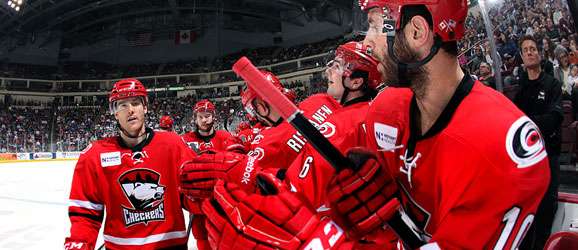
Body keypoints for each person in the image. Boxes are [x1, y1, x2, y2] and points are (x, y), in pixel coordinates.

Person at [357, 1, 549, 249]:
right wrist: (371, 222)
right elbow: (389, 228)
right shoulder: (385, 111)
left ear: (417, 32)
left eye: (375, 26)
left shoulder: (499, 140)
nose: (366, 43)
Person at [64, 79, 196, 250]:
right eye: (122, 106)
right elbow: (85, 212)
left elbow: (194, 193)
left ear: (145, 108)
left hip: (170, 245)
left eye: (135, 103)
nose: (130, 110)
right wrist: (79, 244)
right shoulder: (95, 155)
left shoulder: (174, 145)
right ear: (115, 113)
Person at [514, 35, 563, 250]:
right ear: (523, 57)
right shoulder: (521, 89)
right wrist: (533, 123)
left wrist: (527, 122)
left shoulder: (552, 84)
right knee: (527, 214)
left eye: (533, 48)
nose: (530, 52)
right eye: (526, 50)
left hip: (548, 156)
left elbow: (553, 121)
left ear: (540, 54)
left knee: (545, 212)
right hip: (526, 160)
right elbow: (514, 122)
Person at [180, 100, 234, 250]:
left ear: (213, 116)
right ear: (195, 119)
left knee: (229, 241)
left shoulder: (227, 137)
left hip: (224, 203)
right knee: (203, 241)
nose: (204, 120)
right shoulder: (184, 140)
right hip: (199, 206)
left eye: (208, 115)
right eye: (201, 116)